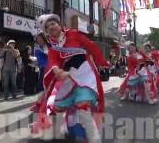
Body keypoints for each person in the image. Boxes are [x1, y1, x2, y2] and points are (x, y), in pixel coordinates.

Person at [30, 14, 110, 142]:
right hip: (67, 79)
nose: (51, 27)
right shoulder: (53, 47)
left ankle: (95, 139)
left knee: (83, 108)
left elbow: (90, 45)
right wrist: (57, 70)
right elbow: (53, 61)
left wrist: (101, 61)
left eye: (53, 24)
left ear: (59, 25)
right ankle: (62, 129)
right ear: (46, 32)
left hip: (85, 76)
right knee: (54, 107)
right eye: (48, 26)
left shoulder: (73, 34)